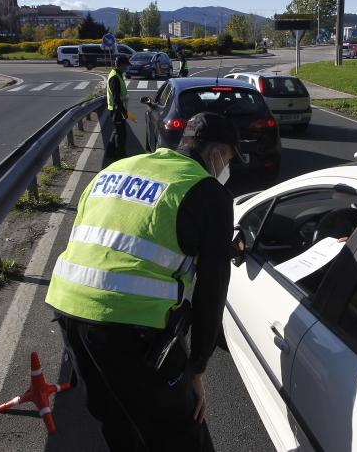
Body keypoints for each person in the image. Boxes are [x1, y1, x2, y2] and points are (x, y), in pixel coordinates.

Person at [45, 112, 240, 452]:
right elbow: (211, 291)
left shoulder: (117, 169)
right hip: (130, 328)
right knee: (181, 433)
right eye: (229, 159)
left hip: (69, 310)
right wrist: (197, 367)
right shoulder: (208, 193)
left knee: (117, 421)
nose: (227, 168)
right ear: (216, 154)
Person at [106, 56, 130, 160]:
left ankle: (110, 153)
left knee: (117, 131)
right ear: (121, 65)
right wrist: (123, 112)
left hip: (117, 109)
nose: (127, 67)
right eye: (126, 65)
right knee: (121, 134)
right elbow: (116, 98)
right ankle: (121, 155)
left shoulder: (117, 74)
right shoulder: (115, 77)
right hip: (117, 110)